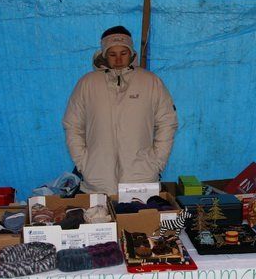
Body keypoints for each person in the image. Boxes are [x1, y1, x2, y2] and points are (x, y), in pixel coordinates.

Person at [62, 26, 178, 194]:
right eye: (112, 54)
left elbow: (167, 123)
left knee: (141, 213)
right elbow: (72, 125)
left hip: (141, 180)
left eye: (123, 53)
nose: (118, 59)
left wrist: (156, 163)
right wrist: (83, 163)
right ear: (104, 55)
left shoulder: (151, 82)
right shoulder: (87, 84)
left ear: (131, 53)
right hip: (97, 182)